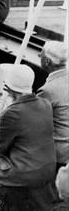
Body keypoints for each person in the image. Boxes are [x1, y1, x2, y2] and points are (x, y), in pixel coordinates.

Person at [36, 41, 68, 170]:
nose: (39, 56)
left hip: (58, 154)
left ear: (47, 61)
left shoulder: (47, 90)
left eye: (41, 55)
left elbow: (33, 121)